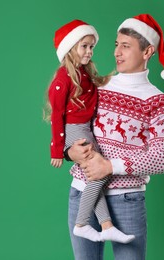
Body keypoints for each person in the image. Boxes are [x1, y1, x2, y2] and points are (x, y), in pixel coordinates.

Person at [65, 14, 164, 260]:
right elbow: (74, 123)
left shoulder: (159, 102)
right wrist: (70, 151)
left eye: (125, 46)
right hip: (83, 192)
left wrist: (109, 166)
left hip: (126, 200)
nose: (117, 52)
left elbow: (163, 157)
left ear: (147, 51)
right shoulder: (98, 86)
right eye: (116, 44)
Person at [45, 19, 135, 244]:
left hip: (86, 128)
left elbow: (94, 92)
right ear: (70, 48)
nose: (89, 51)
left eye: (91, 46)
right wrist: (57, 150)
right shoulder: (63, 79)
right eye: (84, 46)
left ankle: (106, 226)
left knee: (93, 177)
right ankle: (82, 223)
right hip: (75, 130)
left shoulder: (83, 72)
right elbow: (57, 116)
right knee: (98, 172)